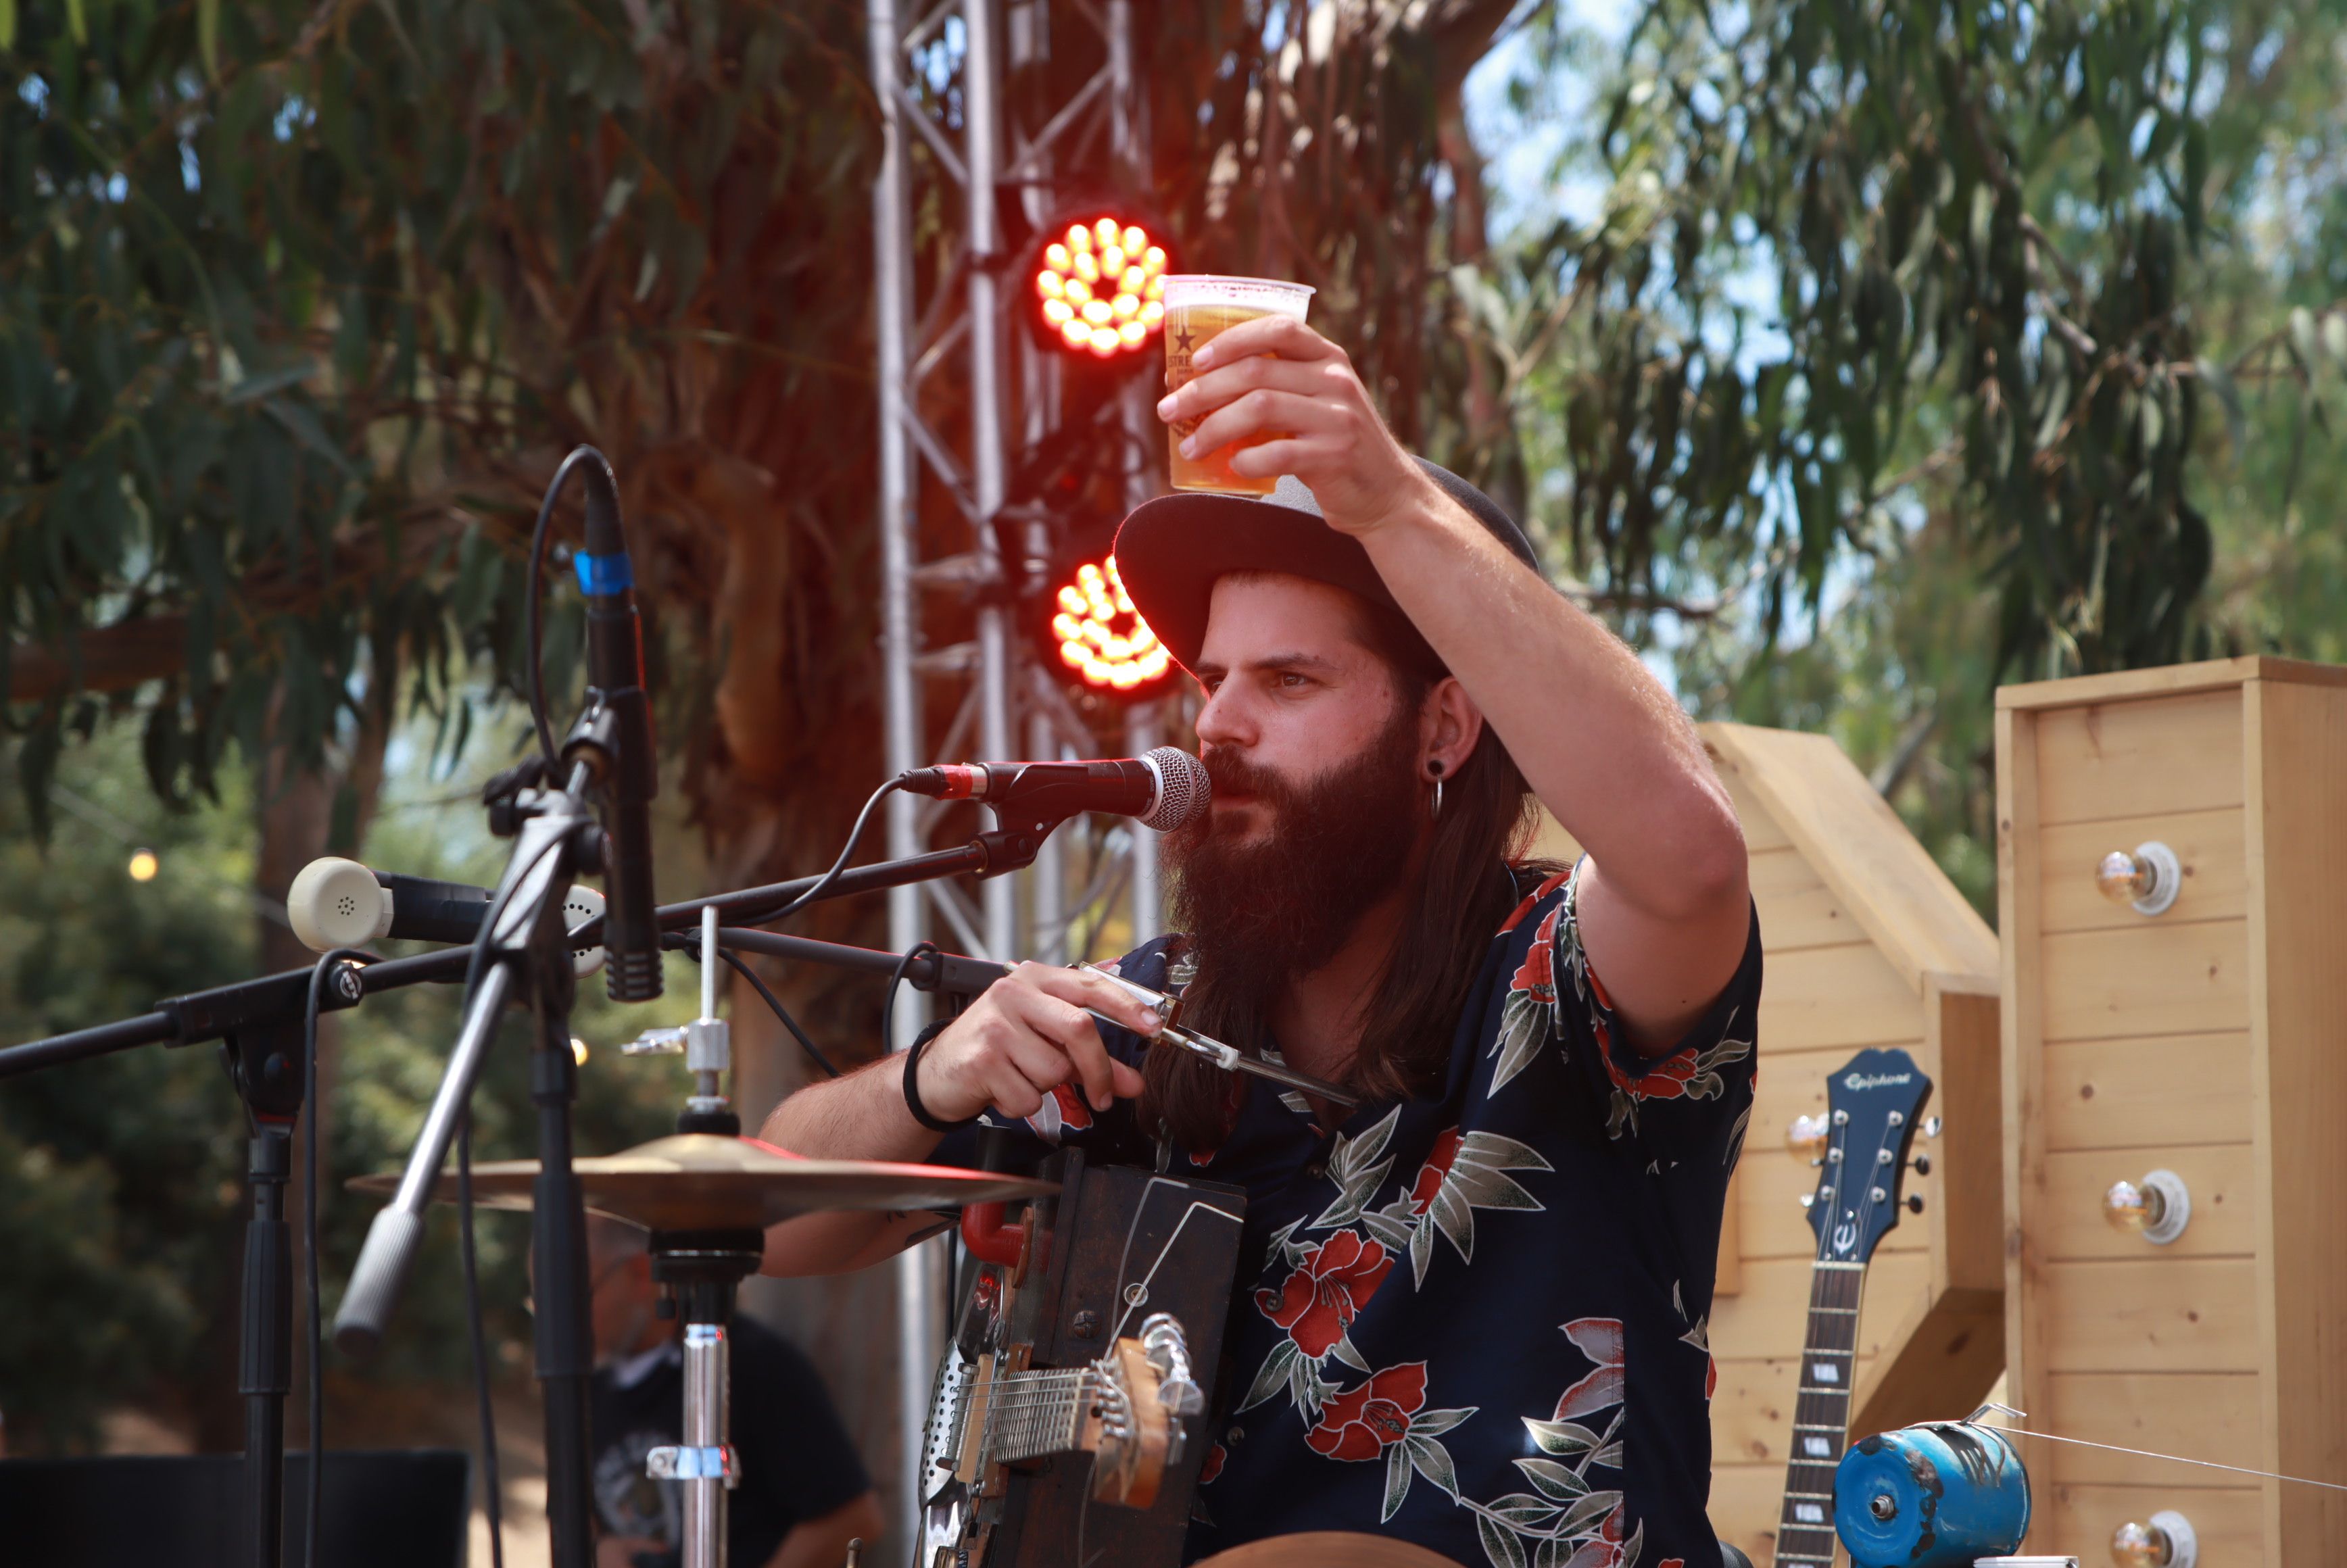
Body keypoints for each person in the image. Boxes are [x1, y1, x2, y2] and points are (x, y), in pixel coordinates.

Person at [760, 315, 1759, 1568]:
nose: (1216, 726)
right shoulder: (1143, 1015)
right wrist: (929, 1078)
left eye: (1286, 683)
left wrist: (1386, 499)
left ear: (1442, 729)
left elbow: (1692, 853)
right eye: (1210, 679)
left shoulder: (1561, 971)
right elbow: (748, 1224)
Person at [581, 1215, 882, 1568]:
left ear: (640, 1274)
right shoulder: (586, 1391)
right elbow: (571, 1519)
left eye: (578, 1295)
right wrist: (599, 1549)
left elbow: (855, 1520)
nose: (557, 1321)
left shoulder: (755, 1364)